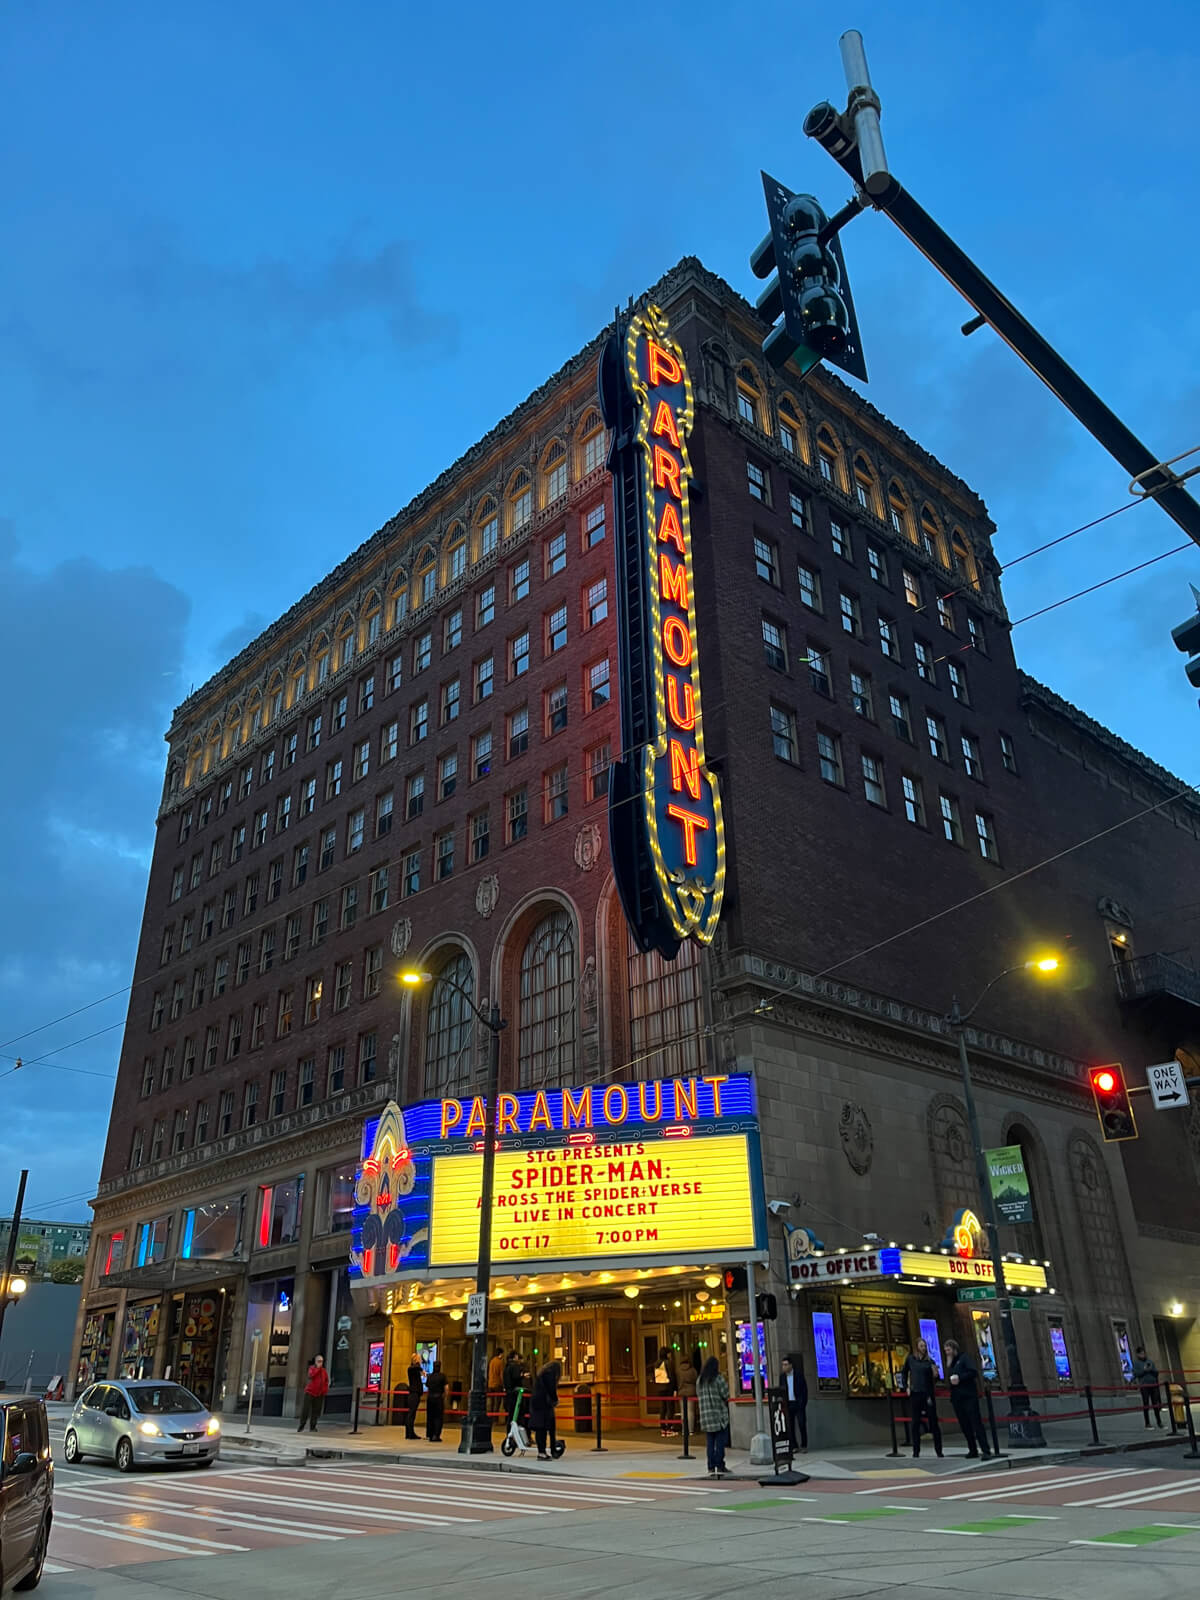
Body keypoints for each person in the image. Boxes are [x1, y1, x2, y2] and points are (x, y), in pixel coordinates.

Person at [943, 1339, 991, 1459]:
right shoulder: (950, 1364)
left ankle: (985, 1450)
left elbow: (973, 1372)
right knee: (965, 1425)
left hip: (968, 1396)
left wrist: (960, 1378)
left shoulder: (964, 1358)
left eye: (948, 1350)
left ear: (954, 1349)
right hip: (957, 1398)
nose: (947, 1353)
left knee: (976, 1423)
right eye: (945, 1351)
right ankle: (972, 1449)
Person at [900, 1339, 943, 1458]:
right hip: (915, 1393)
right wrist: (906, 1387)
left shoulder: (930, 1361)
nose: (923, 1348)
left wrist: (936, 1375)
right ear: (917, 1347)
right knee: (915, 1423)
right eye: (921, 1346)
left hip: (928, 1394)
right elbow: (904, 1373)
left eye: (925, 1346)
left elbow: (936, 1379)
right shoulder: (911, 1359)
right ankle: (916, 1450)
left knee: (933, 1422)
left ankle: (939, 1450)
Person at [697, 1355, 730, 1478]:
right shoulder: (718, 1379)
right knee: (720, 1442)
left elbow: (698, 1395)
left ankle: (711, 1466)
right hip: (718, 1415)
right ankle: (720, 1465)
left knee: (710, 1442)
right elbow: (726, 1394)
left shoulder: (700, 1380)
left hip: (706, 1416)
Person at [530, 1360, 561, 1460]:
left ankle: (544, 1451)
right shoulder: (550, 1374)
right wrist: (555, 1400)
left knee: (542, 1428)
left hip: (537, 1403)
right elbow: (551, 1388)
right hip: (543, 1404)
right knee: (544, 1428)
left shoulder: (542, 1374)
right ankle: (543, 1452)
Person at [779, 1353, 809, 1453]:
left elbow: (804, 1390)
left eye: (786, 1364)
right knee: (790, 1426)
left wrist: (803, 1403)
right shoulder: (782, 1377)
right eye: (783, 1365)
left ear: (791, 1365)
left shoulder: (798, 1375)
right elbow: (781, 1390)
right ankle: (794, 1445)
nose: (784, 1367)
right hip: (788, 1403)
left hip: (798, 1403)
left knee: (801, 1424)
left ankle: (804, 1445)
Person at [1132, 1346, 1165, 1428]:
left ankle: (1159, 1422)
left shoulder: (1150, 1361)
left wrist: (1151, 1370)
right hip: (1144, 1386)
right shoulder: (1136, 1363)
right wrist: (1144, 1370)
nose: (1143, 1355)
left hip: (1153, 1384)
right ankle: (1147, 1423)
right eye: (1141, 1353)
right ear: (1138, 1354)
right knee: (1146, 1404)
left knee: (1155, 1404)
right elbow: (1136, 1374)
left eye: (1144, 1353)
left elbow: (1156, 1373)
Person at [297, 1353, 329, 1433]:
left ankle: (313, 1426)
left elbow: (326, 1381)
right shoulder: (312, 1368)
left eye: (321, 1361)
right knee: (306, 1409)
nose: (320, 1363)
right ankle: (302, 1425)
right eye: (318, 1361)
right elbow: (311, 1375)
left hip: (319, 1393)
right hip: (310, 1392)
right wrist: (317, 1368)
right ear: (315, 1361)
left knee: (316, 1410)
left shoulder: (324, 1371)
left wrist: (324, 1390)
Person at [653, 1346, 677, 1436]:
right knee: (670, 1407)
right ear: (667, 1354)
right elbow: (672, 1376)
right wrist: (675, 1388)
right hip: (668, 1387)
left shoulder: (656, 1364)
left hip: (660, 1387)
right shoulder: (668, 1363)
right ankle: (669, 1427)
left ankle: (662, 1427)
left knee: (663, 1407)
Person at [676, 1352, 699, 1436]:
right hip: (691, 1392)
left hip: (681, 1392)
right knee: (691, 1411)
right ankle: (691, 1430)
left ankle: (684, 1430)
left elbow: (677, 1381)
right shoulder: (693, 1370)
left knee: (683, 1412)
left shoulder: (678, 1370)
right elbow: (695, 1380)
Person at [425, 1360, 447, 1441]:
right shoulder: (442, 1376)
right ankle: (436, 1435)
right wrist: (444, 1396)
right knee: (438, 1417)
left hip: (430, 1398)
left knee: (430, 1417)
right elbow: (446, 1388)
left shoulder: (430, 1376)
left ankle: (430, 1434)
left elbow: (427, 1385)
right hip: (438, 1398)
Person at [405, 1352, 424, 1440]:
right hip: (413, 1394)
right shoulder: (412, 1368)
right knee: (411, 1413)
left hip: (415, 1393)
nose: (420, 1361)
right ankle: (409, 1433)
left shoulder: (416, 1369)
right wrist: (419, 1366)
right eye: (419, 1359)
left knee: (412, 1414)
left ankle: (409, 1432)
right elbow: (417, 1367)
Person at [503, 1349, 524, 1425]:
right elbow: (516, 1377)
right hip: (515, 1393)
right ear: (515, 1356)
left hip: (508, 1392)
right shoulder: (515, 1366)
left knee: (510, 1414)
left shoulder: (506, 1366)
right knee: (517, 1413)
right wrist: (522, 1376)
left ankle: (509, 1432)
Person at [487, 1345, 507, 1412]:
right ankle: (495, 1417)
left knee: (492, 1401)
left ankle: (491, 1416)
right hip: (497, 1384)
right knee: (498, 1401)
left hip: (490, 1384)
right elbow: (501, 1375)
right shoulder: (500, 1362)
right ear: (500, 1354)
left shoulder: (491, 1361)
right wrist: (504, 1384)